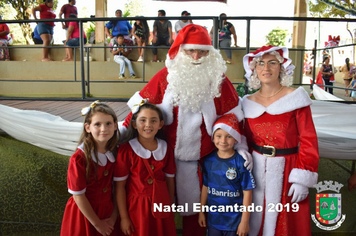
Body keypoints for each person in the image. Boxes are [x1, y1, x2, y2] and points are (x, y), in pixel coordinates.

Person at [119, 24, 252, 236]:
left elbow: (234, 115)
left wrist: (241, 147)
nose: (196, 56)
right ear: (181, 51)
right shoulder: (165, 76)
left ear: (210, 53)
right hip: (164, 157)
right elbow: (139, 109)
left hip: (206, 159)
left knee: (201, 214)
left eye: (202, 51)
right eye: (191, 50)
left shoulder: (218, 79)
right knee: (160, 211)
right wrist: (118, 134)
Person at [241, 45, 319, 236]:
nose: (266, 68)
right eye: (261, 63)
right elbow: (244, 137)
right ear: (254, 69)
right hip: (256, 171)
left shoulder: (296, 98)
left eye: (272, 63)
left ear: (281, 67)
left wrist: (302, 178)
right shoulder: (247, 101)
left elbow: (309, 140)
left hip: (289, 171)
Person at [114, 102, 177, 236]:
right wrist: (124, 217)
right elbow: (120, 187)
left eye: (153, 121)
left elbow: (170, 181)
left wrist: (169, 206)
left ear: (160, 125)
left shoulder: (166, 148)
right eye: (143, 120)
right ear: (134, 124)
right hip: (136, 208)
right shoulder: (126, 150)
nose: (148, 125)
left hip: (161, 205)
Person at [60, 101, 120, 236]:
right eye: (97, 124)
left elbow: (117, 188)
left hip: (108, 213)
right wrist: (98, 224)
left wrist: (114, 215)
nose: (104, 129)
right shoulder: (79, 158)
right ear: (88, 127)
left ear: (115, 126)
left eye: (108, 124)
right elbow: (78, 195)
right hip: (86, 215)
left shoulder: (115, 153)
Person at [198, 114, 255, 236]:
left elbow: (248, 192)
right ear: (213, 137)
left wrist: (244, 221)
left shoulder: (241, 162)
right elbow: (205, 186)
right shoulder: (208, 161)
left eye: (228, 136)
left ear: (235, 139)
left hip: (235, 223)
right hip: (214, 222)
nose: (223, 141)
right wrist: (201, 211)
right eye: (219, 136)